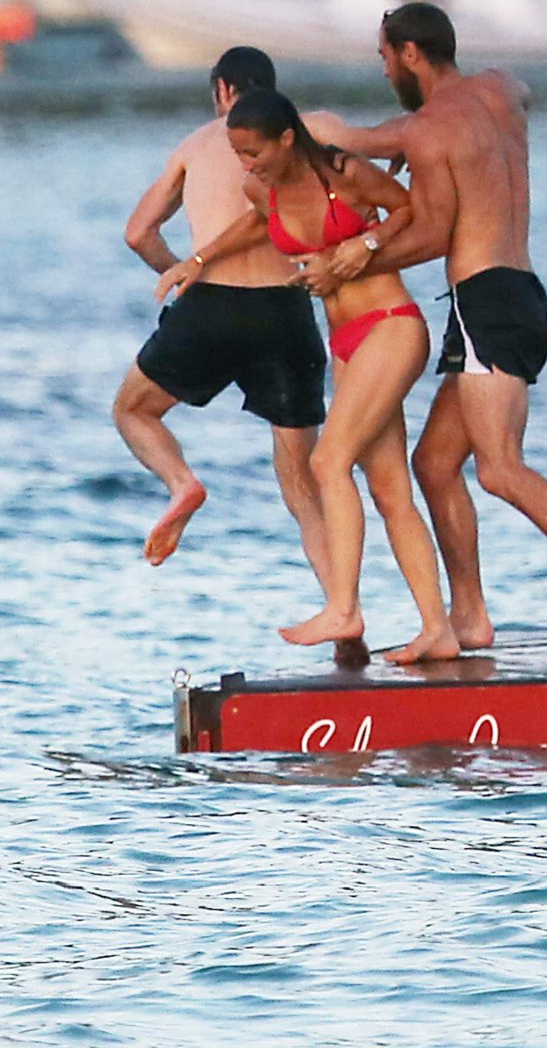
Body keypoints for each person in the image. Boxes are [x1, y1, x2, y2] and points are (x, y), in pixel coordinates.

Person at [304, 1, 547, 659]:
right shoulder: (501, 89)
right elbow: (456, 122)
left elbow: (433, 232)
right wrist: (412, 147)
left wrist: (353, 258)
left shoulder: (430, 130)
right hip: (520, 293)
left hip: (485, 302)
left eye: (384, 58)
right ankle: (470, 616)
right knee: (434, 464)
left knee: (499, 468)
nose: (384, 72)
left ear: (409, 54)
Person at [154, 88, 455, 663]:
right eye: (239, 154)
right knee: (389, 487)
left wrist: (365, 244)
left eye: (253, 152)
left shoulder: (347, 174)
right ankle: (436, 627)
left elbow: (409, 208)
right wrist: (196, 261)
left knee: (326, 462)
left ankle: (343, 608)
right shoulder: (260, 189)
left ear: (287, 138)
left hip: (390, 324)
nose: (246, 165)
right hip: (345, 340)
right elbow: (257, 225)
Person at [114, 47, 338, 577]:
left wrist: (183, 273)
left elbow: (138, 233)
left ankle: (181, 483)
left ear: (222, 90)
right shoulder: (299, 139)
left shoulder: (196, 144)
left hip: (210, 305)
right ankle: (342, 607)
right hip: (286, 307)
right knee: (301, 484)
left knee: (133, 410)